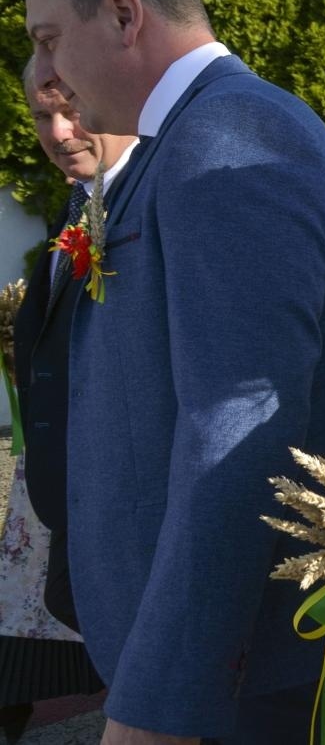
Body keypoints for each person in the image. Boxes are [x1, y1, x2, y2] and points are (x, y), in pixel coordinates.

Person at [24, 0, 325, 745]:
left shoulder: (228, 135)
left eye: (50, 40)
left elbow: (237, 440)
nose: (45, 74)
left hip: (245, 682)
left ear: (124, 15)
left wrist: (161, 706)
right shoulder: (189, 137)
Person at [0, 62, 131, 742]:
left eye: (69, 109)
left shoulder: (138, 204)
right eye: (40, 117)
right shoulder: (77, 204)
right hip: (59, 488)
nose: (56, 132)